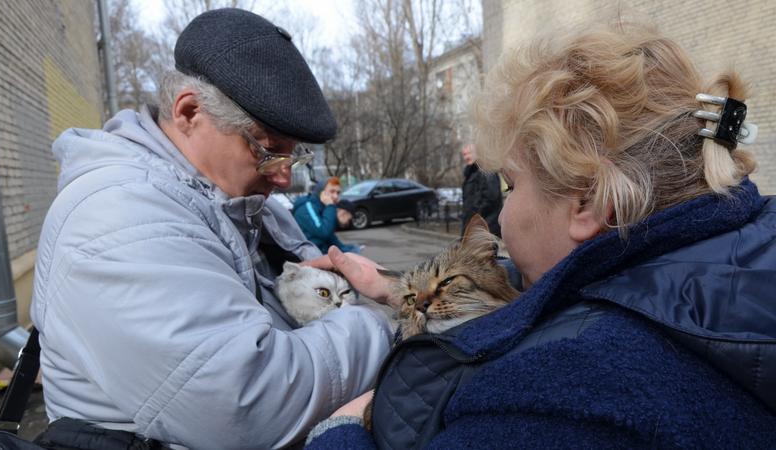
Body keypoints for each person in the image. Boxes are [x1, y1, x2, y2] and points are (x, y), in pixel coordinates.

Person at [303, 21, 776, 448]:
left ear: (586, 202)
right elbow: (592, 283)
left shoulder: (559, 390)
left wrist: (341, 427)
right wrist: (398, 289)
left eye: (511, 185)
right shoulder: (737, 252)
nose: (502, 216)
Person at [30, 8, 392, 450]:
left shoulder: (244, 203)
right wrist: (375, 321)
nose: (283, 177)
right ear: (189, 111)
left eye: (292, 157)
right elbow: (247, 403)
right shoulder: (120, 216)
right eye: (267, 149)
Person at [293, 177, 361, 254]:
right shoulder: (307, 207)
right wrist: (330, 206)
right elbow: (324, 232)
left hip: (319, 251)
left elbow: (331, 238)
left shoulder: (322, 206)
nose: (336, 196)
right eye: (332, 191)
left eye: (338, 193)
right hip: (308, 256)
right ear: (321, 193)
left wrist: (349, 249)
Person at [460, 144, 502, 236]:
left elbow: (491, 198)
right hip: (474, 226)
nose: (466, 157)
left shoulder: (486, 171)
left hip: (485, 228)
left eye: (469, 154)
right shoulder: (470, 173)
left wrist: (475, 216)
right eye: (464, 154)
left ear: (477, 154)